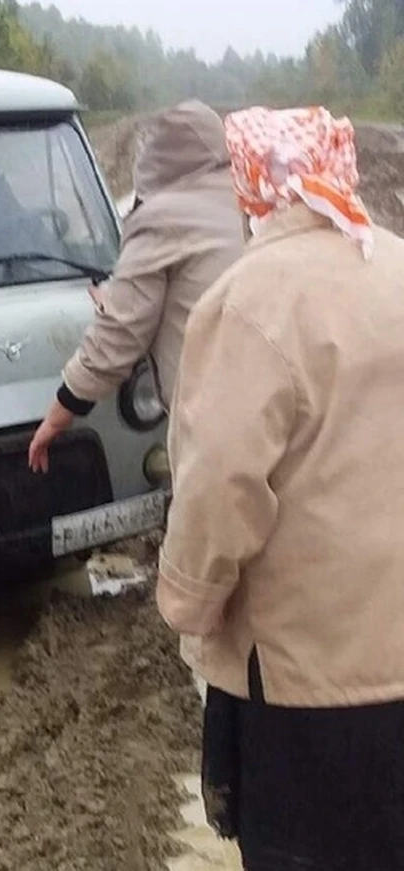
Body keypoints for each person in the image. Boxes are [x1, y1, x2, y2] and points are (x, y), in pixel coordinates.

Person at [158, 105, 404, 869]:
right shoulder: (397, 265)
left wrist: (189, 605)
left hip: (308, 683)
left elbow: (219, 490)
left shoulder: (248, 301)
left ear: (251, 185)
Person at [28, 99, 244, 473]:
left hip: (213, 419)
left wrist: (60, 413)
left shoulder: (163, 217)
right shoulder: (246, 200)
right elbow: (194, 286)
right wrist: (118, 296)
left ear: (161, 154)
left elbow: (124, 330)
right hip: (270, 402)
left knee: (206, 526)